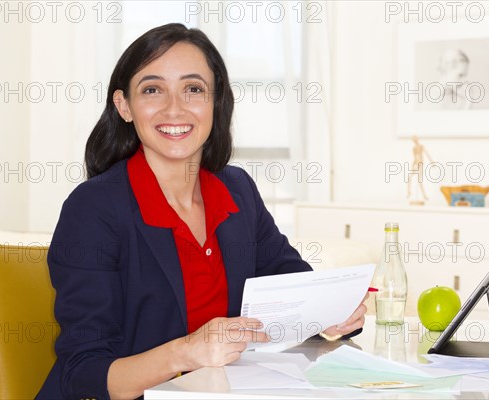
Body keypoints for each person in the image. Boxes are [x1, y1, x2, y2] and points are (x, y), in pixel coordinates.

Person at [36, 23, 367, 399]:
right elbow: (84, 373)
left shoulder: (237, 190)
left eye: (193, 89)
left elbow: (289, 281)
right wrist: (187, 350)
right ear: (124, 107)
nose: (174, 108)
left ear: (216, 102)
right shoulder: (93, 209)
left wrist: (331, 314)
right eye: (152, 89)